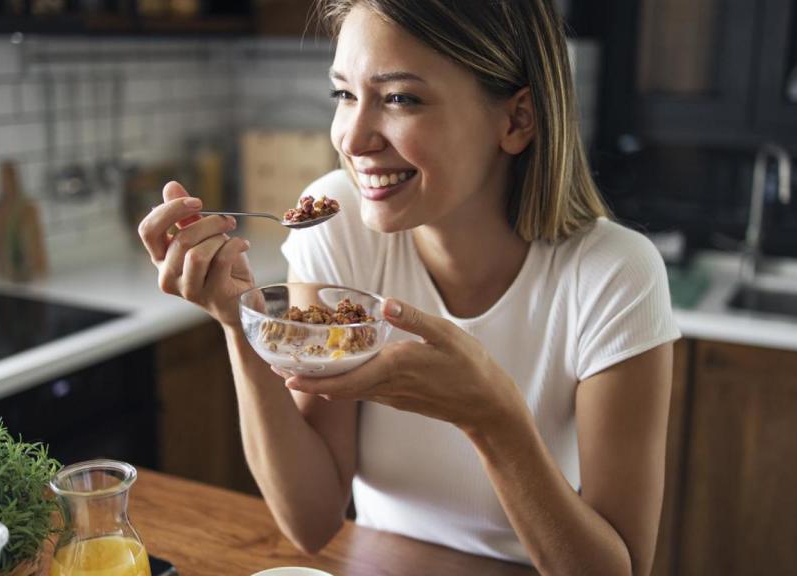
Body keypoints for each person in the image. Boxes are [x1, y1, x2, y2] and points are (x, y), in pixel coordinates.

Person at [137, 1, 681, 574]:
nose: (353, 138)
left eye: (400, 98)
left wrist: (492, 419)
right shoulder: (337, 224)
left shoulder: (615, 274)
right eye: (344, 94)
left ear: (517, 120)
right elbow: (311, 522)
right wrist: (240, 322)